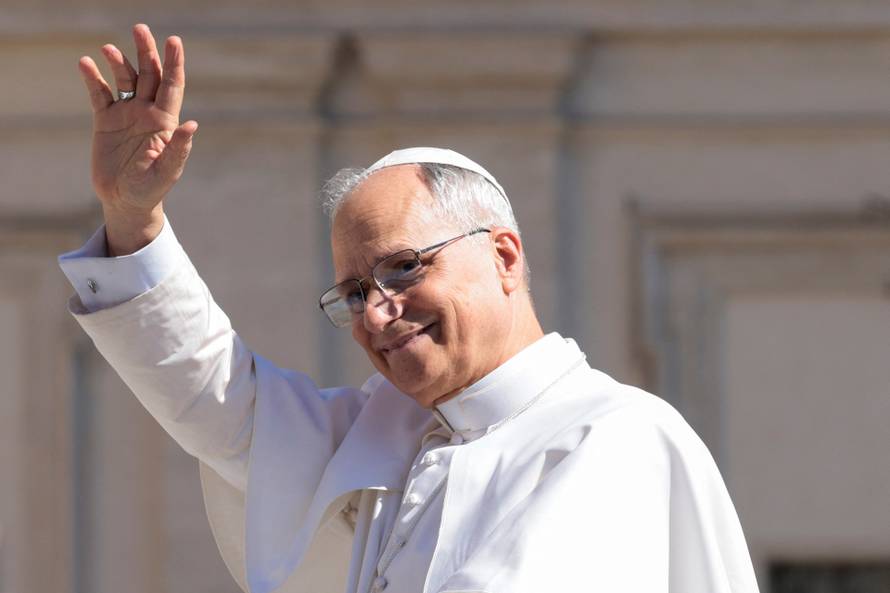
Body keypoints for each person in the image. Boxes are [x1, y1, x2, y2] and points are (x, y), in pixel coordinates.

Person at [61, 24, 760, 593]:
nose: (377, 311)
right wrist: (135, 219)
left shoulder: (613, 437)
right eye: (357, 291)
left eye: (403, 267)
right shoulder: (388, 434)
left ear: (505, 257)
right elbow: (219, 398)